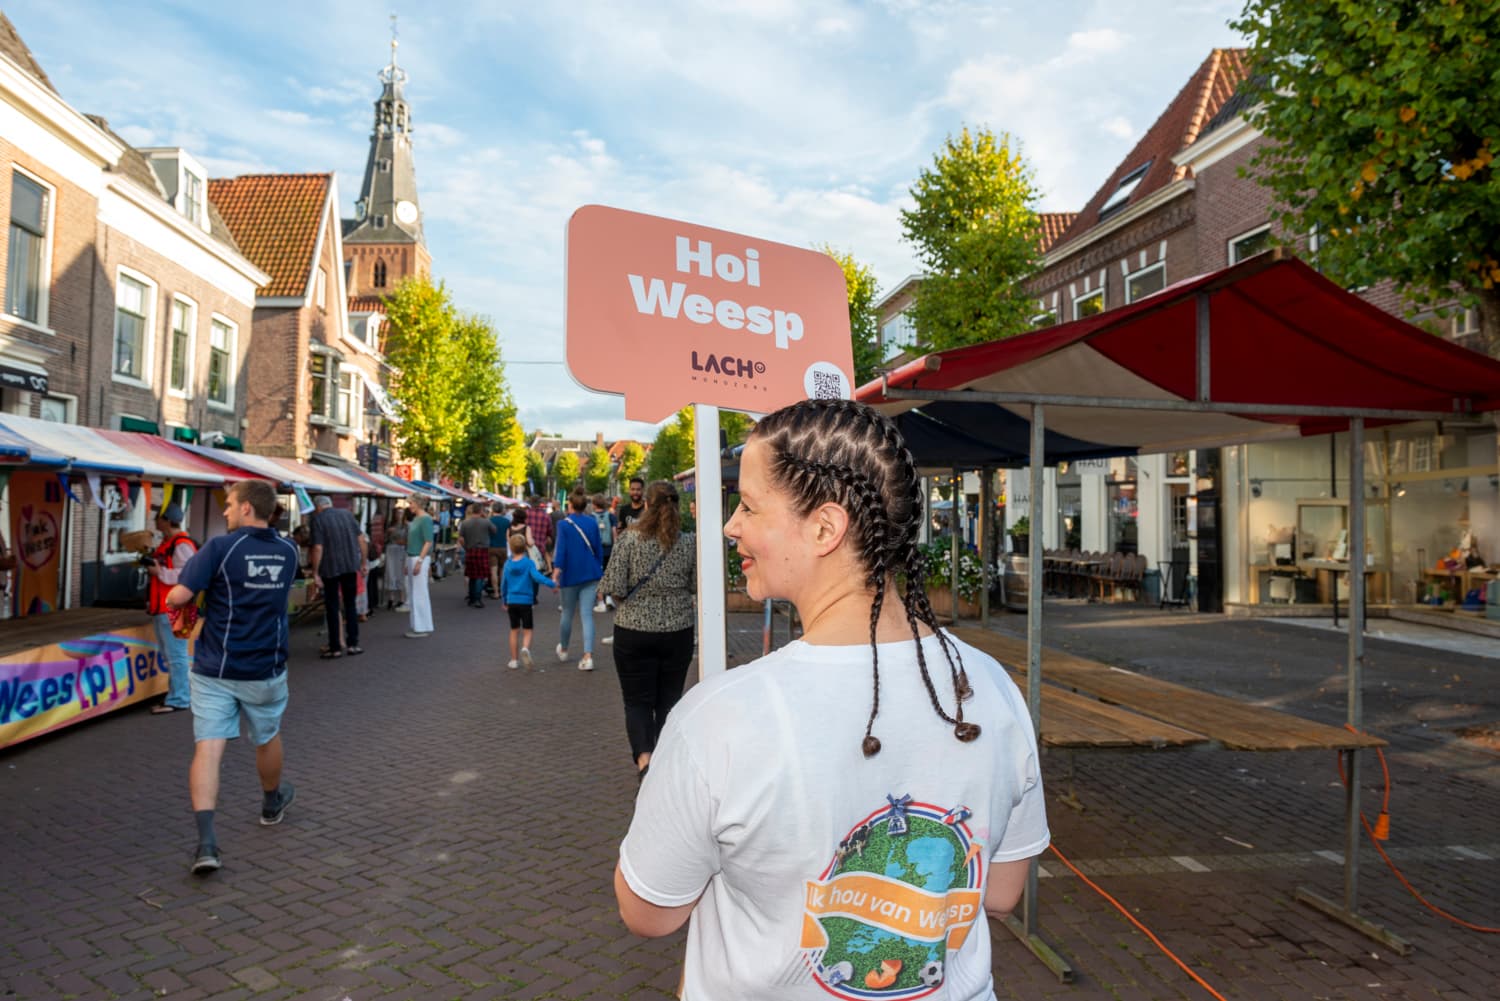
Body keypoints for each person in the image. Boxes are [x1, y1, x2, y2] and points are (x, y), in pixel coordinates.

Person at [614, 399, 1049, 999]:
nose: (729, 525)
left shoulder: (720, 717)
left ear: (824, 527)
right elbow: (1000, 894)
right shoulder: (993, 688)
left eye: (748, 505)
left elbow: (649, 912)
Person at [166, 479, 301, 876]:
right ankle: (271, 801)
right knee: (267, 735)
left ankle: (207, 843)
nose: (224, 511)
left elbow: (179, 596)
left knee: (208, 748)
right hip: (265, 664)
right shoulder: (289, 551)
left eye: (228, 504)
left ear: (246, 509)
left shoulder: (220, 548)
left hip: (216, 667)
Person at [599, 481, 695, 781]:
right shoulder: (688, 542)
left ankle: (645, 761)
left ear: (647, 505)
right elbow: (694, 586)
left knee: (637, 700)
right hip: (677, 630)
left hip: (633, 630)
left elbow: (613, 587)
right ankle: (666, 762)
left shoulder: (629, 540)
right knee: (668, 700)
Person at [144, 502, 198, 714]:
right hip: (166, 607)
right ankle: (179, 695)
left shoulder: (181, 544)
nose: (155, 521)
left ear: (166, 521)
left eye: (158, 517)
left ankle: (179, 698)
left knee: (176, 655)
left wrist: (159, 573)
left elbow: (188, 574)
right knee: (174, 655)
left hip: (176, 607)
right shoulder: (171, 542)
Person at [306, 495, 367, 659]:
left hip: (330, 568)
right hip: (350, 566)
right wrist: (363, 562)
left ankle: (335, 647)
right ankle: (353, 644)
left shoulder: (318, 520)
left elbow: (318, 547)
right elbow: (361, 540)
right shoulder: (347, 515)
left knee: (332, 607)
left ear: (318, 507)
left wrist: (315, 571)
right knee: (350, 605)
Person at [551, 488, 603, 671]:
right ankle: (588, 656)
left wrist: (556, 572)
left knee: (567, 613)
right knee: (587, 615)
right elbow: (598, 549)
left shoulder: (564, 525)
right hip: (591, 573)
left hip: (570, 575)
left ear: (570, 505)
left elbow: (562, 549)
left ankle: (564, 649)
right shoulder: (592, 522)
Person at [502, 532, 558, 669]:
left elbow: (504, 583)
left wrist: (504, 600)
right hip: (526, 601)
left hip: (512, 600)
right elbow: (537, 577)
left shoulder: (507, 564)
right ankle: (525, 648)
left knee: (514, 630)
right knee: (528, 629)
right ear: (525, 547)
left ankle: (514, 660)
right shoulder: (528, 563)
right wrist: (552, 583)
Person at [404, 494, 435, 638]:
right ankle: (417, 625)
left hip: (418, 557)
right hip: (413, 557)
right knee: (414, 592)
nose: (409, 505)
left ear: (417, 503)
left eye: (411, 503)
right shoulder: (417, 519)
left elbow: (428, 541)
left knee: (419, 592)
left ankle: (421, 626)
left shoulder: (425, 519)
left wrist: (420, 561)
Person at [459, 502, 493, 608]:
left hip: (470, 549)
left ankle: (472, 598)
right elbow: (494, 530)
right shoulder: (486, 522)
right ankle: (477, 599)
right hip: (482, 550)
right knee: (480, 576)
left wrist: (466, 547)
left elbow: (460, 538)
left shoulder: (465, 523)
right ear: (481, 511)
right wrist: (486, 517)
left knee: (472, 575)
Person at [591, 493, 618, 613]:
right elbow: (614, 532)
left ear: (594, 504)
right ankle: (609, 598)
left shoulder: (591, 517)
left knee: (598, 575)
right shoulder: (611, 516)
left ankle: (600, 601)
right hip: (609, 548)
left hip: (597, 550)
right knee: (609, 574)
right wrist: (616, 546)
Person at [385, 505, 409, 611]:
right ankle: (391, 598)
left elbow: (408, 540)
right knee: (390, 573)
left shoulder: (406, 526)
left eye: (401, 512)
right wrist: (388, 533)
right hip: (391, 549)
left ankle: (401, 598)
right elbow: (384, 539)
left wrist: (403, 542)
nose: (399, 515)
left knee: (400, 573)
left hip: (401, 550)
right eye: (397, 512)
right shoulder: (390, 525)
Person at [525, 495, 555, 573]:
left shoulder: (525, 514)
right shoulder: (546, 516)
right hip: (540, 548)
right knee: (537, 573)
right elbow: (550, 531)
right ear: (539, 503)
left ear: (530, 503)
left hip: (528, 547)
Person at [487, 502, 511, 599]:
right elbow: (508, 536)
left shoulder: (489, 520)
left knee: (493, 571)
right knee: (502, 570)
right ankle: (501, 591)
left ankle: (495, 592)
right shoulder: (507, 522)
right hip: (503, 547)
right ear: (502, 510)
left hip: (491, 547)